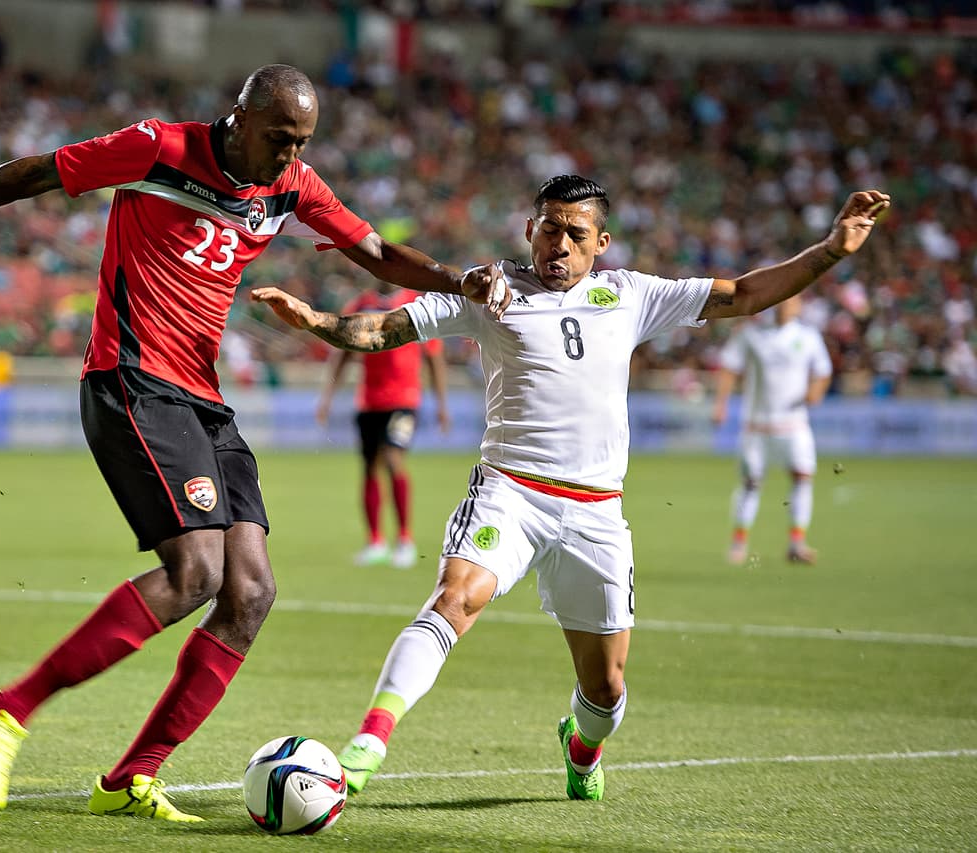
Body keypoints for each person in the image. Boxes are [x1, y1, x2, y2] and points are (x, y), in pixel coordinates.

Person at [0, 64, 509, 822]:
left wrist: (458, 280)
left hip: (201, 397)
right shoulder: (157, 148)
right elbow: (34, 172)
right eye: (279, 138)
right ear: (241, 118)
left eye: (301, 142)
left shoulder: (291, 187)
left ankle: (131, 775)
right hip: (130, 381)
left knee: (251, 590)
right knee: (196, 570)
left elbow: (377, 253)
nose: (289, 156)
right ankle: (4, 707)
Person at [251, 175, 889, 801]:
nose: (558, 244)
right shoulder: (489, 291)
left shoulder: (632, 295)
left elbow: (745, 294)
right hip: (510, 489)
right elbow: (386, 330)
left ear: (600, 243)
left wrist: (831, 249)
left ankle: (581, 747)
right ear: (530, 229)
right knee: (456, 597)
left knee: (606, 690)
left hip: (596, 513)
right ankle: (368, 744)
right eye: (548, 229)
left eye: (574, 234)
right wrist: (316, 321)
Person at [316, 281, 451, 569]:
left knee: (393, 459)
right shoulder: (360, 306)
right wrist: (327, 396)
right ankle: (375, 542)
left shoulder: (415, 305)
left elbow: (434, 358)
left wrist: (441, 404)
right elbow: (342, 351)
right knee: (369, 468)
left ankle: (405, 539)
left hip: (404, 400)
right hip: (369, 401)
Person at [712, 296, 832, 565]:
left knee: (802, 479)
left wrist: (816, 391)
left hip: (795, 424)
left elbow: (823, 371)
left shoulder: (808, 336)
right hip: (757, 426)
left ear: (799, 306)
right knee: (750, 484)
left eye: (790, 303)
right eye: (780, 302)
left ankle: (797, 543)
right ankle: (739, 543)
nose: (784, 307)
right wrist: (721, 404)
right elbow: (729, 369)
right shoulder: (751, 334)